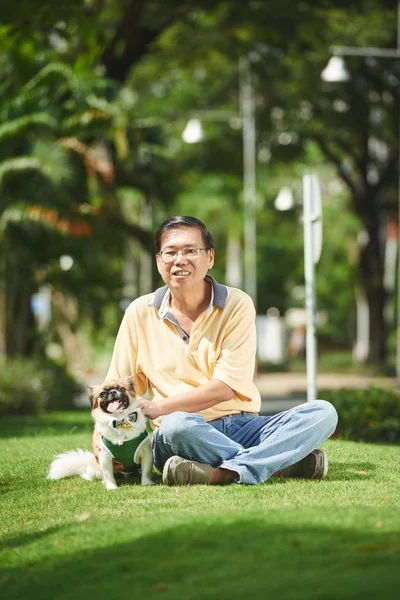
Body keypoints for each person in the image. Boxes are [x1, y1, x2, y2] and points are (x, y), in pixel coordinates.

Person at [93, 216, 338, 485]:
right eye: (170, 252)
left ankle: (224, 472)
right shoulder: (140, 311)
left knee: (323, 413)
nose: (180, 259)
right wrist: (100, 438)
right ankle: (277, 464)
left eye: (190, 251)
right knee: (175, 425)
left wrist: (160, 406)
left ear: (210, 257)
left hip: (243, 426)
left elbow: (226, 388)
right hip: (182, 434)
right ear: (158, 261)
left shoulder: (237, 304)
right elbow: (116, 384)